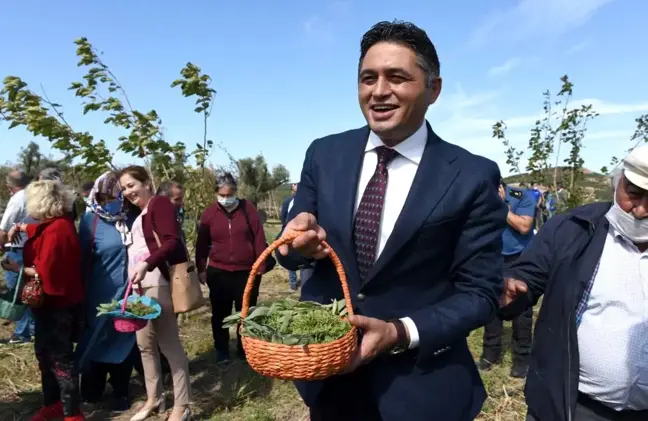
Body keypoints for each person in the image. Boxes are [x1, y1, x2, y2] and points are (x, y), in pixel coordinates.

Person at [276, 20, 507, 421]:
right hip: (330, 381)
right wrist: (294, 244)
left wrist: (400, 332)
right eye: (368, 78)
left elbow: (480, 294)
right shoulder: (324, 155)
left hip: (422, 387)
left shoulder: (471, 175)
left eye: (397, 77)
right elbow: (294, 246)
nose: (379, 91)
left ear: (433, 89)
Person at [500, 145, 648, 420]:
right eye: (634, 194)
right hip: (573, 406)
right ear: (617, 184)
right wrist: (512, 288)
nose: (640, 211)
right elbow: (527, 276)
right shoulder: (572, 228)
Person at [2, 180, 85, 421]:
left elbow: (45, 272)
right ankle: (53, 405)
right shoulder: (55, 225)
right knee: (45, 356)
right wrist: (20, 228)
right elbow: (38, 232)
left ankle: (72, 413)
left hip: (58, 305)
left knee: (61, 361)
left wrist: (17, 268)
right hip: (49, 305)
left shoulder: (57, 230)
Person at [119, 166, 192, 421]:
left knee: (169, 345)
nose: (128, 192)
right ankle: (155, 398)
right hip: (139, 288)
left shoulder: (159, 204)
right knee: (145, 345)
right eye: (124, 189)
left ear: (146, 182)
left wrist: (147, 263)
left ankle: (182, 406)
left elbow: (171, 241)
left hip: (157, 282)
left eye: (131, 185)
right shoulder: (139, 215)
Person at [76, 172, 137, 412]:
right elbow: (81, 260)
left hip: (128, 293)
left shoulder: (130, 219)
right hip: (98, 294)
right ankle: (93, 387)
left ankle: (121, 390)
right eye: (103, 196)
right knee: (97, 338)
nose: (108, 200)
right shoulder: (90, 222)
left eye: (114, 196)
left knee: (124, 338)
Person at [195, 172, 266, 362]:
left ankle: (245, 349)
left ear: (235, 192)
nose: (226, 199)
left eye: (229, 194)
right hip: (219, 272)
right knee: (220, 313)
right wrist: (201, 267)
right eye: (222, 195)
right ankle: (221, 349)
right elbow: (202, 243)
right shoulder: (209, 213)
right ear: (216, 193)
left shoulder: (248, 210)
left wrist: (261, 263)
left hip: (247, 271)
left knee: (246, 312)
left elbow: (259, 236)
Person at [478, 180, 535, 378]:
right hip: (492, 257)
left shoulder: (523, 197)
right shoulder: (481, 195)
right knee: (491, 306)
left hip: (519, 258)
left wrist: (501, 205)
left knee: (521, 310)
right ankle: (490, 354)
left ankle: (522, 359)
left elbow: (524, 226)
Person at [0, 169, 34, 344]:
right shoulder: (34, 195)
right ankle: (33, 329)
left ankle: (22, 334)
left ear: (9, 186)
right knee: (29, 290)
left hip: (16, 249)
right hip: (30, 248)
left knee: (17, 294)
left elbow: (3, 229)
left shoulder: (17, 198)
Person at [280, 183, 314, 290]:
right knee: (291, 258)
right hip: (291, 234)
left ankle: (305, 286)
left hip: (306, 235)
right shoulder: (288, 201)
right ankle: (293, 283)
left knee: (305, 263)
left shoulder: (310, 200)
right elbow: (283, 217)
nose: (296, 189)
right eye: (294, 187)